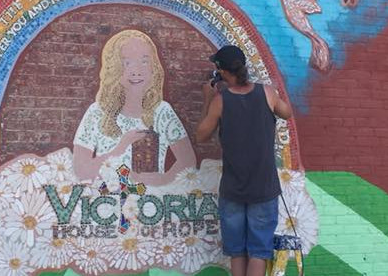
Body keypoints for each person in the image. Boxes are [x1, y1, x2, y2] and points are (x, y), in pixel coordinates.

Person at [196, 45, 292, 276]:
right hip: (264, 188)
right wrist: (274, 95)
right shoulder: (267, 93)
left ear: (221, 71)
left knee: (237, 252)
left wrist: (207, 99)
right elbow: (286, 113)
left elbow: (201, 135)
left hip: (233, 190)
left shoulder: (220, 101)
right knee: (259, 252)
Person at [72, 29, 196, 185]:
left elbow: (188, 160)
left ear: (153, 68)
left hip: (151, 202)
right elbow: (80, 170)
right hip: (106, 201)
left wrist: (165, 178)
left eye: (144, 61)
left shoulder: (162, 111)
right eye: (127, 63)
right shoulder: (97, 112)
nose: (136, 71)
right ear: (113, 68)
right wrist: (120, 148)